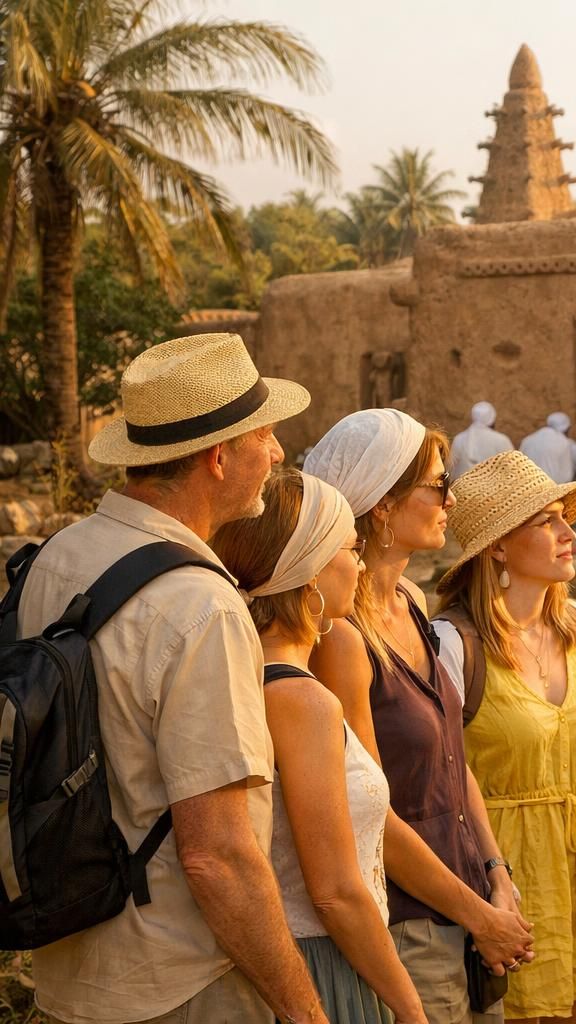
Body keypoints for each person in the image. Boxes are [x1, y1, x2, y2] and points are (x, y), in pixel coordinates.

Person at [14, 333, 326, 1023]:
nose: (276, 456)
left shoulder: (58, 555)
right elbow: (218, 856)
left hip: (71, 966)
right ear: (219, 458)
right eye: (266, 435)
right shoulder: (201, 606)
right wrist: (305, 1011)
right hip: (181, 981)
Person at [305, 409, 534, 1024]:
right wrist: (479, 914)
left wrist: (496, 874)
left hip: (466, 900)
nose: (451, 499)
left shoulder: (410, 603)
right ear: (382, 505)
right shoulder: (342, 638)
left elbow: (454, 762)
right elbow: (369, 811)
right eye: (438, 484)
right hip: (412, 924)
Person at [432, 450, 576, 1022]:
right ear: (499, 547)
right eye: (546, 520)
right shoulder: (453, 645)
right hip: (506, 872)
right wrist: (490, 884)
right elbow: (448, 777)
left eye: (565, 516)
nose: (568, 531)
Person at [211, 470, 428, 1024]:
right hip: (326, 962)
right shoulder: (302, 701)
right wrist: (409, 1007)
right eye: (350, 550)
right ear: (306, 571)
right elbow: (334, 891)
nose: (359, 565)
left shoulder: (252, 670)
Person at [521, 412, 576, 484]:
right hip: (556, 492)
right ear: (567, 429)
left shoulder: (527, 440)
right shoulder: (565, 442)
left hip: (530, 491)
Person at [450, 401, 514, 481]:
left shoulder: (459, 439)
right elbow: (513, 469)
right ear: (492, 419)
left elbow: (450, 470)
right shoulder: (502, 440)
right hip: (493, 491)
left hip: (464, 490)